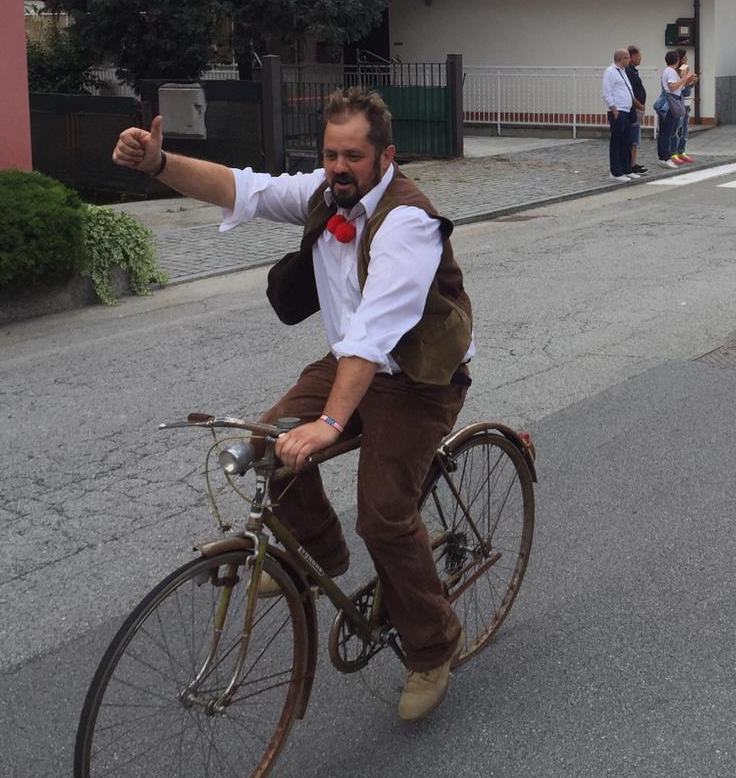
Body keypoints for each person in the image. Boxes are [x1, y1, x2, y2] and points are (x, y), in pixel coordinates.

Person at [111, 88, 475, 723]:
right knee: (268, 443)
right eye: (331, 154)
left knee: (384, 516)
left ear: (386, 156)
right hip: (351, 364)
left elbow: (373, 332)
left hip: (416, 377)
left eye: (353, 156)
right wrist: (159, 164)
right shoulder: (324, 194)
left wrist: (330, 423)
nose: (339, 167)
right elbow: (243, 188)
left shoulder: (408, 223)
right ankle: (321, 553)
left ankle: (433, 645)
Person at [603, 47, 635, 180]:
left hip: (627, 110)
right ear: (621, 59)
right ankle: (616, 172)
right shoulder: (610, 72)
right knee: (617, 142)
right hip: (618, 111)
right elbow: (607, 92)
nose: (629, 60)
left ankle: (626, 169)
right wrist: (614, 109)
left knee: (627, 141)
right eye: (627, 58)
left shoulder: (622, 71)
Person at [657, 50, 684, 167]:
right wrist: (685, 78)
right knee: (666, 132)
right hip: (669, 104)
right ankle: (665, 157)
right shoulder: (670, 72)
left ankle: (663, 157)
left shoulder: (669, 71)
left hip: (668, 103)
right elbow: (672, 87)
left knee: (665, 132)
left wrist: (685, 79)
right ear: (677, 60)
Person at [625, 45, 648, 177]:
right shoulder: (628, 72)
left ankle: (633, 163)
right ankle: (630, 165)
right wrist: (639, 105)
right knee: (632, 137)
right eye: (639, 55)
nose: (640, 58)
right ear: (632, 56)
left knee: (635, 137)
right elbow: (630, 92)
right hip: (634, 108)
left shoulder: (633, 71)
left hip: (637, 108)